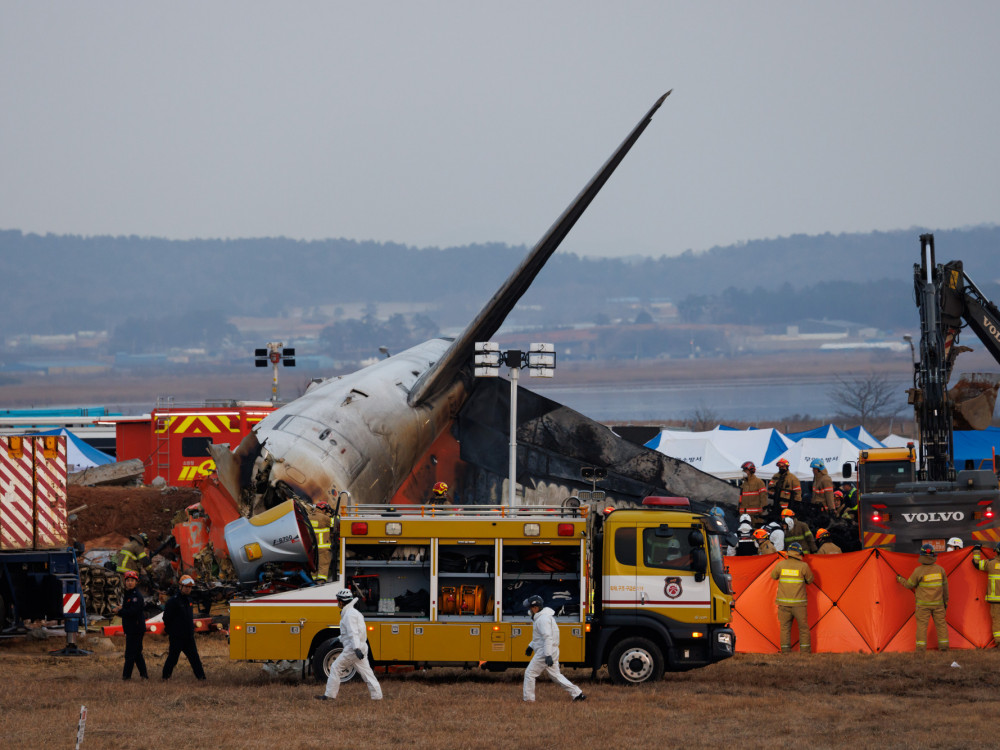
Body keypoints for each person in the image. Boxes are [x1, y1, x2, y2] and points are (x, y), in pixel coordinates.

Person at [316, 588, 382, 700]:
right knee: (367, 673)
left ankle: (329, 696)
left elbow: (353, 633)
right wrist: (338, 639)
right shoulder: (353, 613)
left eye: (338, 601)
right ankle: (377, 696)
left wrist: (356, 648)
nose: (338, 603)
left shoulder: (349, 615)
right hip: (360, 647)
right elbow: (352, 632)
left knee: (335, 668)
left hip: (353, 649)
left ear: (342, 602)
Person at [522, 594, 585, 702]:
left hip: (545, 651)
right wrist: (531, 646)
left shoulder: (542, 620)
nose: (529, 610)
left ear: (535, 608)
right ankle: (577, 693)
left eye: (530, 608)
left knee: (529, 673)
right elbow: (540, 637)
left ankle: (528, 700)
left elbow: (547, 637)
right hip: (551, 650)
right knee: (556, 676)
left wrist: (547, 655)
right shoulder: (544, 617)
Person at [896, 544, 949, 652]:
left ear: (922, 555)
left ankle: (920, 649)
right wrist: (945, 602)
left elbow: (909, 585)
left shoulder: (918, 571)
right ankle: (944, 647)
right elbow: (945, 588)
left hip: (923, 606)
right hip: (938, 604)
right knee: (941, 625)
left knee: (922, 627)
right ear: (933, 555)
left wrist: (899, 579)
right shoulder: (940, 570)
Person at [769, 542, 814, 653]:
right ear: (799, 553)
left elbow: (773, 576)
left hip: (783, 605)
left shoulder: (780, 565)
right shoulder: (804, 566)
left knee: (785, 628)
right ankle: (805, 652)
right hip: (799, 605)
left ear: (788, 552)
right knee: (803, 628)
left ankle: (785, 652)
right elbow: (810, 580)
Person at [161, 574, 206, 680]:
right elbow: (166, 618)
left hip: (189, 636)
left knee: (194, 658)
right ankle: (165, 677)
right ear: (180, 586)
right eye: (186, 587)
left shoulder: (189, 600)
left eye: (190, 587)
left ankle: (202, 678)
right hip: (177, 636)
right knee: (173, 658)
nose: (188, 589)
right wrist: (171, 631)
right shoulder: (173, 601)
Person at [115, 570, 148, 680]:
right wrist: (122, 608)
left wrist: (119, 612)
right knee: (137, 654)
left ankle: (126, 677)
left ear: (136, 582)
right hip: (131, 628)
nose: (130, 582)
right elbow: (128, 609)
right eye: (128, 580)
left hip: (135, 629)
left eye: (132, 580)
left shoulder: (136, 596)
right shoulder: (128, 594)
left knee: (130, 654)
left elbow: (132, 612)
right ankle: (144, 676)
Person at [972, 541, 1000, 646]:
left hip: (995, 600)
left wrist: (976, 550)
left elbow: (976, 563)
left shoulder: (990, 563)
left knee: (997, 620)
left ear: (996, 552)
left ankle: (999, 641)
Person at [308, 501, 335, 582]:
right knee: (323, 565)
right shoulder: (324, 518)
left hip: (313, 547)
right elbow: (335, 523)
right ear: (323, 510)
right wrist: (333, 514)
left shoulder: (309, 516)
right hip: (323, 548)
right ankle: (321, 582)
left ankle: (312, 582)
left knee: (314, 566)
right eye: (326, 511)